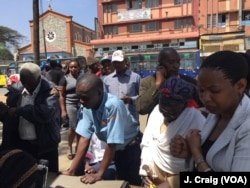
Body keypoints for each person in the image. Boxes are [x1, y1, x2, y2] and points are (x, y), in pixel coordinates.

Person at [170, 50, 250, 172]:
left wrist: (197, 155)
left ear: (240, 86)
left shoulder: (247, 128)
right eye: (201, 91)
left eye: (215, 91)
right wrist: (189, 153)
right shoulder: (216, 114)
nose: (206, 98)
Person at [61, 74, 142, 186]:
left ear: (99, 93)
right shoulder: (87, 106)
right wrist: (71, 170)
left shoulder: (113, 106)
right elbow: (84, 138)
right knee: (121, 182)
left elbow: (112, 143)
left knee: (133, 183)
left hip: (131, 149)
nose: (81, 101)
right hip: (118, 150)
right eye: (79, 97)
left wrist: (99, 174)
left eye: (84, 97)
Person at [140, 76, 206, 188]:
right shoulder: (156, 112)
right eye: (163, 105)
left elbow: (203, 158)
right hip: (154, 176)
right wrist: (145, 165)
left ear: (184, 104)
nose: (165, 110)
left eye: (172, 106)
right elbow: (148, 142)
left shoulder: (197, 120)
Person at [0, 62, 61, 173]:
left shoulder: (50, 90)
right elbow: (10, 118)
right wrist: (4, 111)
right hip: (21, 147)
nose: (26, 85)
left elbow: (45, 114)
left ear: (38, 78)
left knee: (46, 179)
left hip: (45, 146)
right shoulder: (15, 91)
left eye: (29, 82)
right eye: (23, 81)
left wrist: (18, 110)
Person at [135, 47, 202, 117]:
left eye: (178, 62)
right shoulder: (148, 82)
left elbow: (202, 103)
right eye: (171, 62)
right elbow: (141, 108)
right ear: (160, 65)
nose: (176, 66)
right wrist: (157, 85)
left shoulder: (189, 82)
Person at [103, 50, 141, 124]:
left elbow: (141, 98)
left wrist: (131, 100)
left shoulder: (135, 77)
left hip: (131, 118)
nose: (117, 65)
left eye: (119, 62)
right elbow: (104, 99)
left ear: (125, 61)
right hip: (113, 119)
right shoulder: (107, 80)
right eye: (115, 62)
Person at [63, 59, 82, 160]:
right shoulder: (65, 78)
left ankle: (78, 147)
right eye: (71, 67)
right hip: (70, 104)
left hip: (82, 104)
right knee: (73, 126)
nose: (73, 69)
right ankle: (69, 146)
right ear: (69, 68)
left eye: (75, 67)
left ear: (79, 68)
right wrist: (63, 110)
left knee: (81, 127)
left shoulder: (82, 78)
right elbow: (61, 95)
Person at [44, 59, 67, 128]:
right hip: (58, 96)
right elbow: (61, 87)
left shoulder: (46, 73)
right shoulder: (60, 73)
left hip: (48, 96)